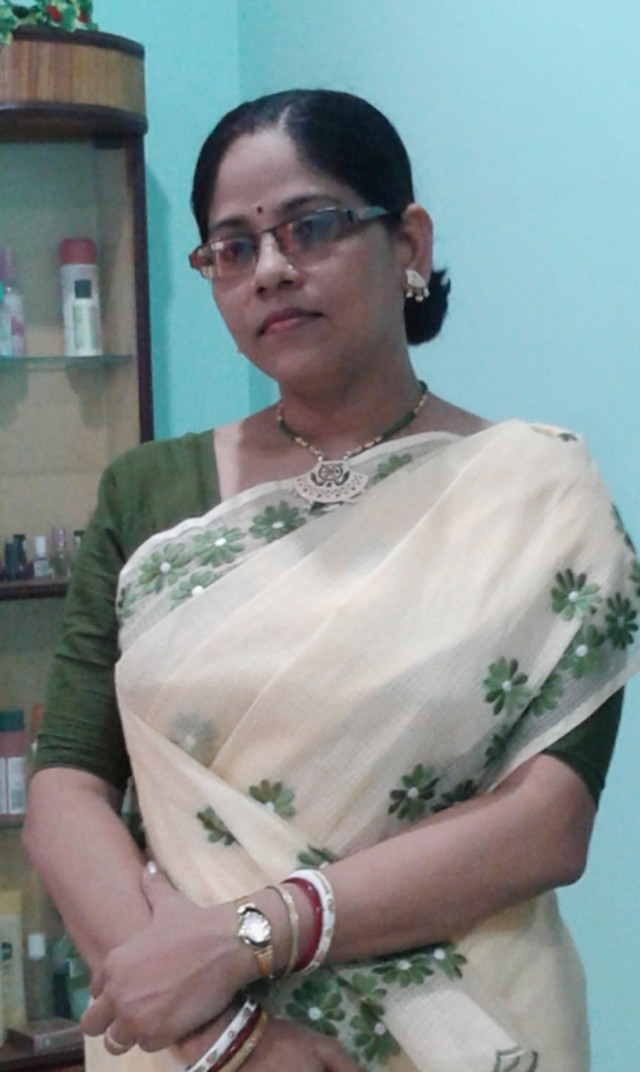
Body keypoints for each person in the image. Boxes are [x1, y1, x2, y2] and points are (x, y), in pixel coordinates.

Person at [24, 89, 639, 1072]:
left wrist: (251, 938)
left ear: (408, 243)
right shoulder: (148, 492)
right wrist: (223, 1034)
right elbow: (66, 784)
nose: (270, 269)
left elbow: (548, 821)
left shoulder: (534, 493)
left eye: (309, 226)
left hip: (468, 1023)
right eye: (233, 247)